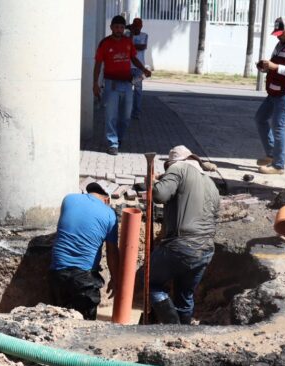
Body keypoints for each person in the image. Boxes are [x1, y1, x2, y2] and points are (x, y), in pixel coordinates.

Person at [148, 146, 220, 325]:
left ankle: (173, 328)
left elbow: (159, 194)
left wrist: (151, 182)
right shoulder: (211, 183)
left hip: (181, 244)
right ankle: (183, 335)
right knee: (184, 295)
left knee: (150, 283)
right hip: (205, 249)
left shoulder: (178, 168)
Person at [50, 181, 120, 320]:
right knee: (85, 327)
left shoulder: (69, 199)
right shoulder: (110, 215)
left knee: (60, 321)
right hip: (83, 279)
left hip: (57, 272)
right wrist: (115, 279)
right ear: (107, 199)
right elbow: (112, 252)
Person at [93, 15, 152, 156]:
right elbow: (98, 64)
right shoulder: (104, 43)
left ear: (123, 28)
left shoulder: (128, 42)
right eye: (116, 27)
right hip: (111, 84)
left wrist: (144, 70)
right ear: (111, 28)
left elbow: (133, 58)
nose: (119, 29)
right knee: (111, 115)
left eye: (121, 27)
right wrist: (95, 83)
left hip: (127, 84)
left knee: (125, 115)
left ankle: (119, 139)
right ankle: (112, 143)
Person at [255, 17, 285, 175]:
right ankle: (271, 154)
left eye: (281, 33)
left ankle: (279, 165)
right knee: (260, 118)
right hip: (273, 92)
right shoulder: (279, 45)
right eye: (277, 34)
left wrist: (275, 66)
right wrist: (265, 67)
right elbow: (274, 65)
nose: (278, 36)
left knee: (278, 127)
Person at [129, 18, 149, 120]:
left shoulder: (144, 35)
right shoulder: (128, 35)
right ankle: (126, 111)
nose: (137, 28)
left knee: (138, 90)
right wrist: (131, 34)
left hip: (139, 68)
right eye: (135, 26)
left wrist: (131, 46)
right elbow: (127, 46)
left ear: (141, 26)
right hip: (127, 67)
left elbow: (142, 47)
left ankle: (136, 113)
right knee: (126, 90)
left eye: (138, 26)